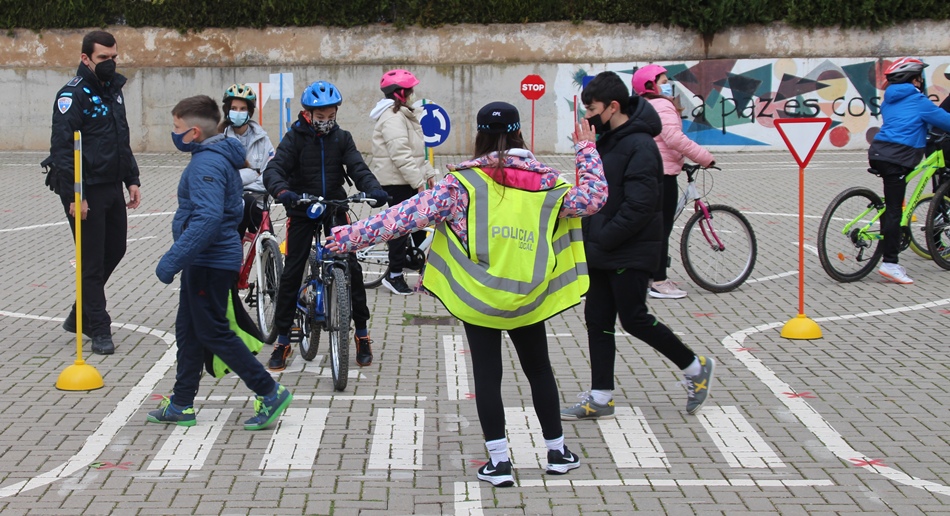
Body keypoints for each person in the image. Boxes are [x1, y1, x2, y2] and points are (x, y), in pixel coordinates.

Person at [327, 102, 607, 487]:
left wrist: (345, 238)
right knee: (539, 369)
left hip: (479, 299)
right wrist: (585, 149)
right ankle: (557, 453)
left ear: (478, 136)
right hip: (529, 296)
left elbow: (401, 217)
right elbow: (593, 198)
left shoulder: (461, 185)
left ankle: (499, 463)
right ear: (520, 133)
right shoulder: (548, 185)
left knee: (488, 377)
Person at [560, 71, 715, 421]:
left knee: (634, 319)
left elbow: (640, 205)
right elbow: (594, 191)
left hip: (629, 248)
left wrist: (602, 236)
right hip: (601, 246)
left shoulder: (641, 145)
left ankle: (695, 367)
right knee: (597, 319)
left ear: (613, 107)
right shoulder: (606, 140)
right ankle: (600, 396)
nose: (587, 116)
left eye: (592, 109)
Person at [149, 95, 292, 430]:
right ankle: (182, 403)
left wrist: (171, 260)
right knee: (189, 332)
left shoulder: (206, 165)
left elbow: (208, 219)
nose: (174, 133)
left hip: (209, 262)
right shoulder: (213, 157)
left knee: (213, 331)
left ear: (194, 132)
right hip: (205, 260)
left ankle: (268, 391)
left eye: (177, 127)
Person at [263, 81, 388, 371]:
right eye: (320, 117)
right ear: (307, 114)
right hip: (303, 207)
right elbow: (275, 169)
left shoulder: (342, 138)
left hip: (334, 207)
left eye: (331, 116)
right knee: (293, 270)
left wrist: (374, 189)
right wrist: (283, 191)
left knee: (352, 268)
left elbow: (358, 168)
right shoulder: (294, 138)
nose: (326, 122)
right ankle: (283, 339)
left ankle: (362, 334)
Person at [44, 30, 141, 355]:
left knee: (116, 249)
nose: (110, 64)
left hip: (112, 183)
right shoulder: (72, 94)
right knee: (92, 261)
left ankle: (78, 314)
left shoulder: (114, 90)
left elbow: (121, 137)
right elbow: (62, 147)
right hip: (83, 189)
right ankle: (99, 328)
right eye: (103, 59)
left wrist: (132, 179)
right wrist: (75, 195)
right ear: (86, 58)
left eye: (114, 58)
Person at [632, 64, 715, 299]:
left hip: (649, 169)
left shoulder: (644, 105)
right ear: (651, 84)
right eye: (664, 79)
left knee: (651, 228)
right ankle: (658, 280)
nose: (669, 84)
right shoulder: (662, 106)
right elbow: (672, 137)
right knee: (661, 228)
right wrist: (705, 157)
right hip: (662, 174)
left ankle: (649, 275)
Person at [869, 57, 950, 284]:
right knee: (896, 209)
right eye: (918, 78)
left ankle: (889, 231)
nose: (920, 82)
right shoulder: (918, 100)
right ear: (914, 80)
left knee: (892, 204)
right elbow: (945, 121)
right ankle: (890, 263)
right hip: (898, 157)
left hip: (878, 152)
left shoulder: (889, 100)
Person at [369, 69, 439, 295]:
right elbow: (401, 155)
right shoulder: (392, 118)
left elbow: (415, 153)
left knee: (420, 227)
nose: (413, 94)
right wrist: (418, 182)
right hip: (396, 182)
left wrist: (428, 173)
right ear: (399, 93)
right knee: (400, 228)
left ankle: (426, 275)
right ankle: (394, 275)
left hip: (406, 179)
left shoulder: (403, 115)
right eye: (410, 91)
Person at [220, 83, 275, 238]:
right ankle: (235, 255)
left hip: (258, 202)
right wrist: (253, 173)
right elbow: (224, 178)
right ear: (227, 110)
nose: (238, 112)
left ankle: (268, 258)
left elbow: (270, 171)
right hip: (229, 205)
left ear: (249, 112)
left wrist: (245, 182)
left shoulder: (262, 139)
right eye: (234, 108)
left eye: (243, 109)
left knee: (269, 239)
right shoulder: (219, 139)